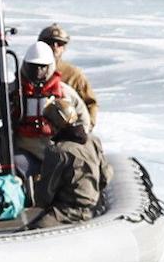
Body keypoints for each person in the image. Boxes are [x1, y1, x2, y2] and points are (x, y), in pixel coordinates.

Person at [13, 42, 102, 228]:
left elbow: (84, 119)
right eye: (34, 68)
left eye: (42, 68)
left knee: (55, 185)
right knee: (16, 169)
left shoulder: (65, 93)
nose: (38, 73)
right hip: (27, 150)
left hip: (56, 152)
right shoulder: (14, 92)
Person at [36, 23, 98, 130]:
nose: (54, 46)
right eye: (50, 42)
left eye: (59, 43)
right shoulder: (30, 70)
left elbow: (91, 103)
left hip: (64, 133)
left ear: (64, 48)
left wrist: (85, 130)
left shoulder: (74, 74)